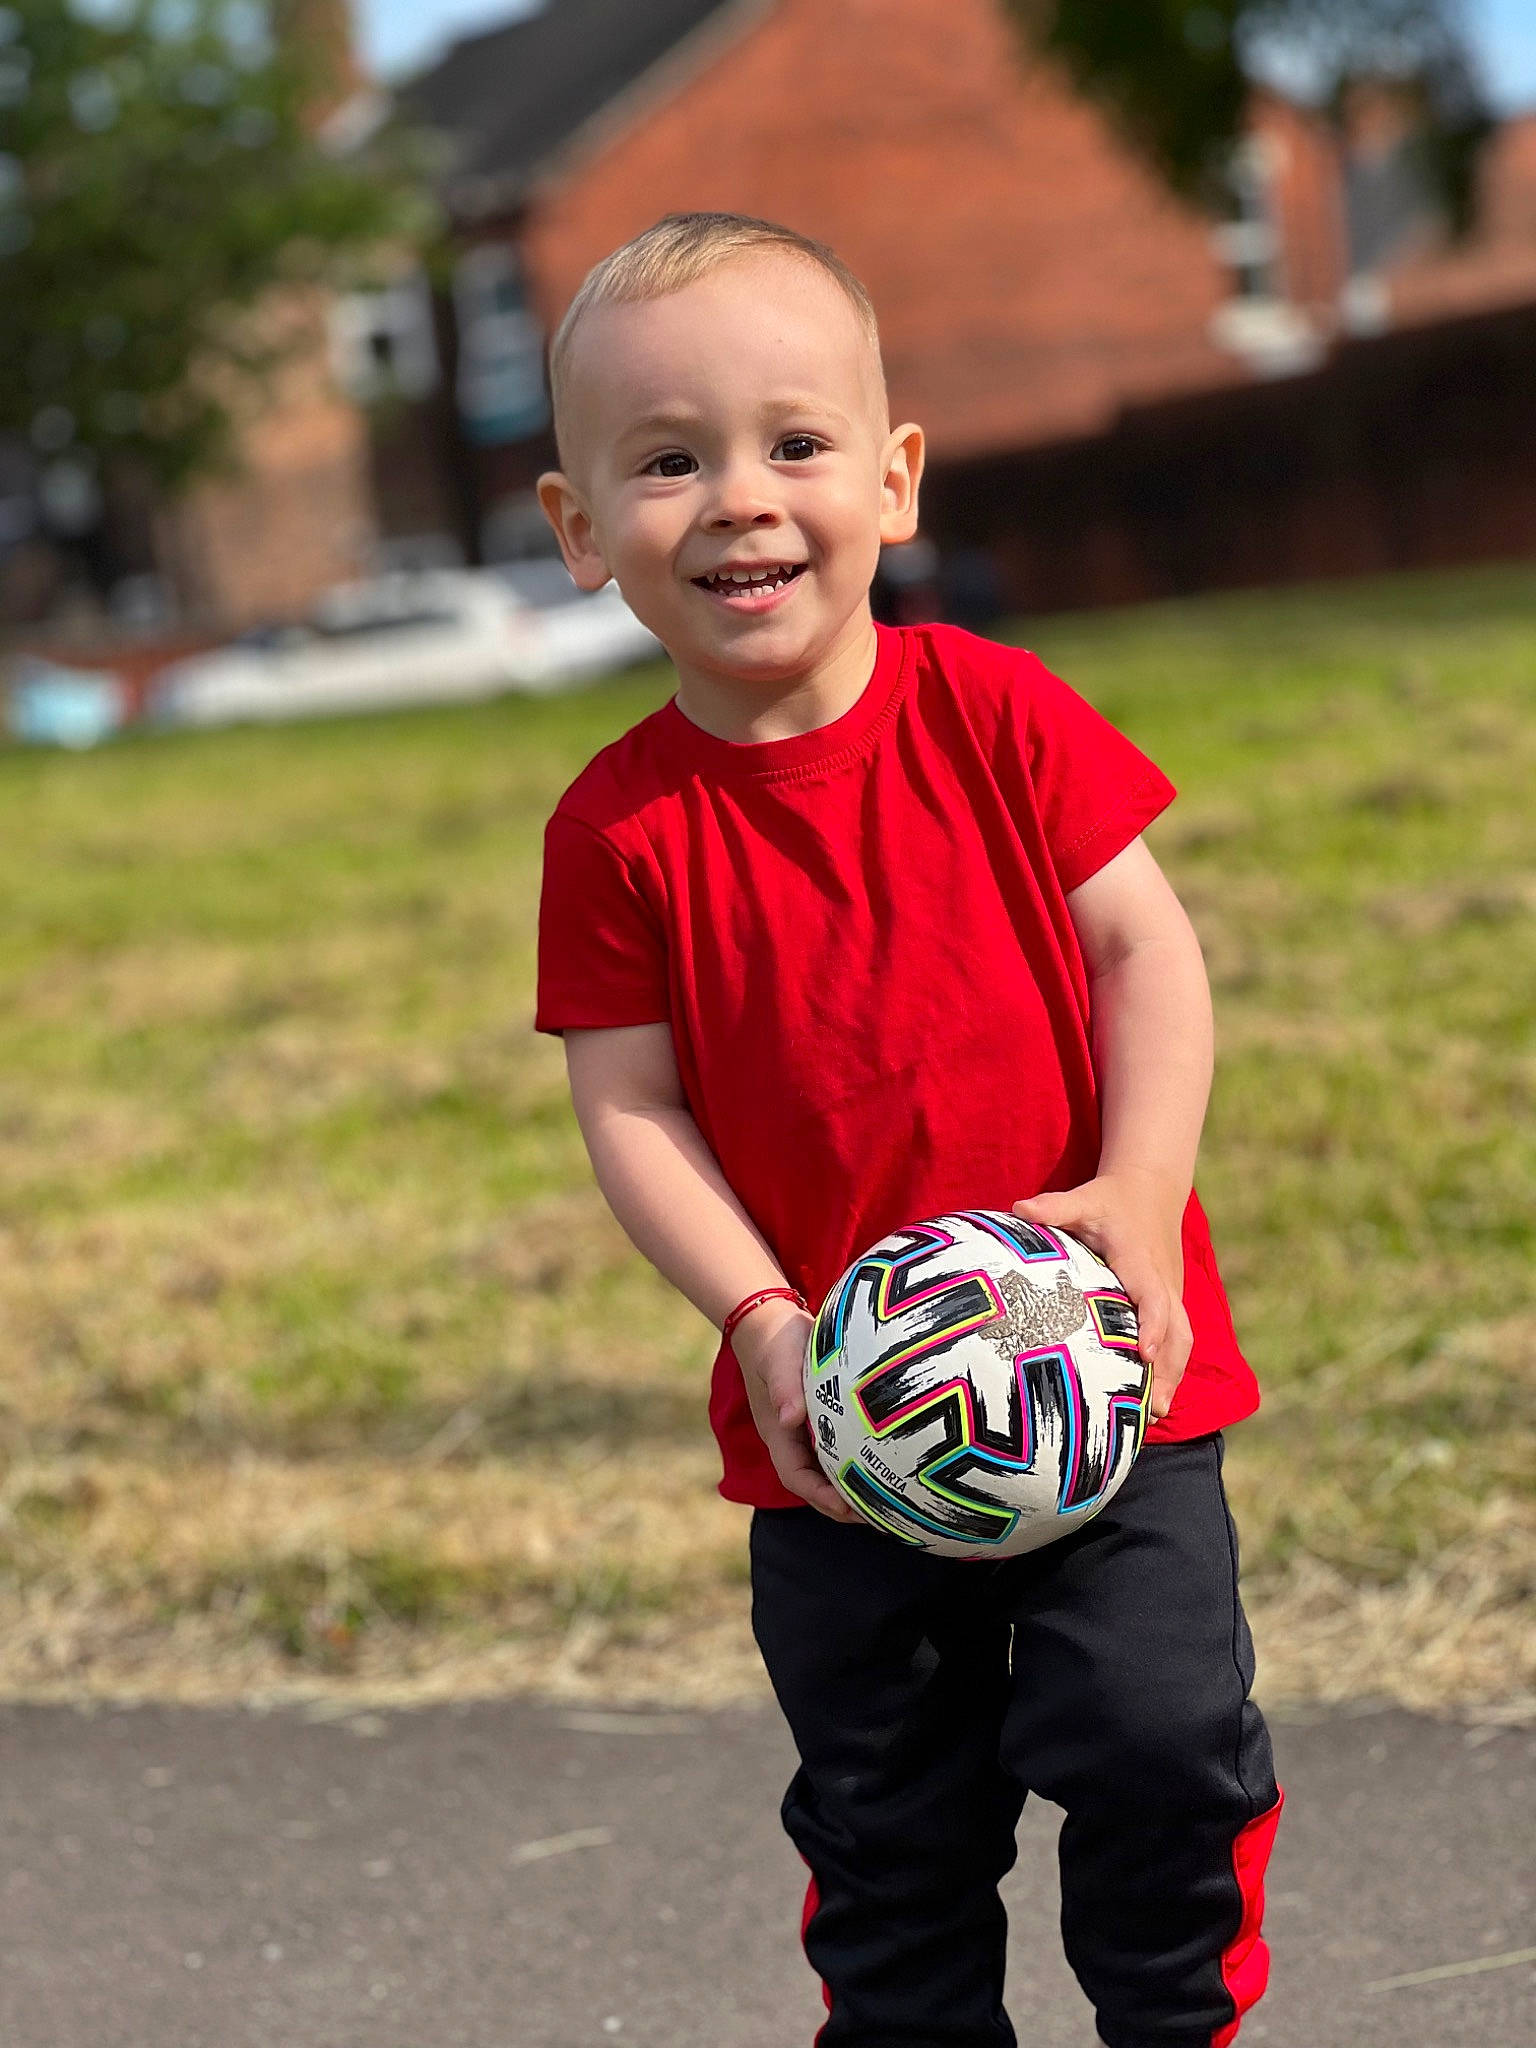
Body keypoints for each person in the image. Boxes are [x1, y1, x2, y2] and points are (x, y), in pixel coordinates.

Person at [534, 211, 1281, 2048]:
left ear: (895, 475)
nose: (737, 501)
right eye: (667, 461)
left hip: (1107, 1378)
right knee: (894, 1835)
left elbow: (1149, 959)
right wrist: (761, 1317)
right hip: (838, 1443)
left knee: (1162, 1744)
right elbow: (629, 1109)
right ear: (575, 530)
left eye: (793, 445)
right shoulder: (618, 832)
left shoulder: (997, 711)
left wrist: (1141, 1189)